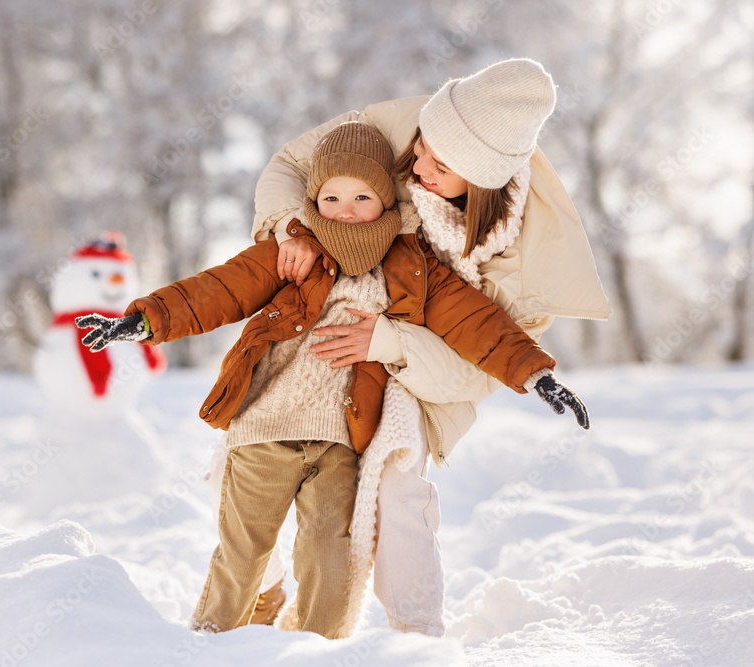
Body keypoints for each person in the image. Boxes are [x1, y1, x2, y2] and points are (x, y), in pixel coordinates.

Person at [76, 120, 589, 639]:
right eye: (331, 196)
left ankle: (320, 649)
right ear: (313, 200)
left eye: (362, 196)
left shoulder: (414, 265)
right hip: (265, 428)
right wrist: (142, 321)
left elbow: (477, 323)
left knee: (330, 555)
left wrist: (537, 374)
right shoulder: (292, 251)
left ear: (387, 200)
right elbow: (217, 290)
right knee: (244, 547)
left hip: (341, 442)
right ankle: (211, 643)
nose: (345, 210)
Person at [249, 58, 611, 636]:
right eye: (421, 147)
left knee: (396, 484)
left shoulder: (528, 265)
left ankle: (415, 634)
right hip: (335, 320)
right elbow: (292, 163)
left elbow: (482, 364)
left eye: (438, 166)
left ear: (483, 183)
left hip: (425, 369)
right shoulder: (401, 130)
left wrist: (388, 340)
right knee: (271, 455)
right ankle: (255, 595)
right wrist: (295, 225)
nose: (415, 166)